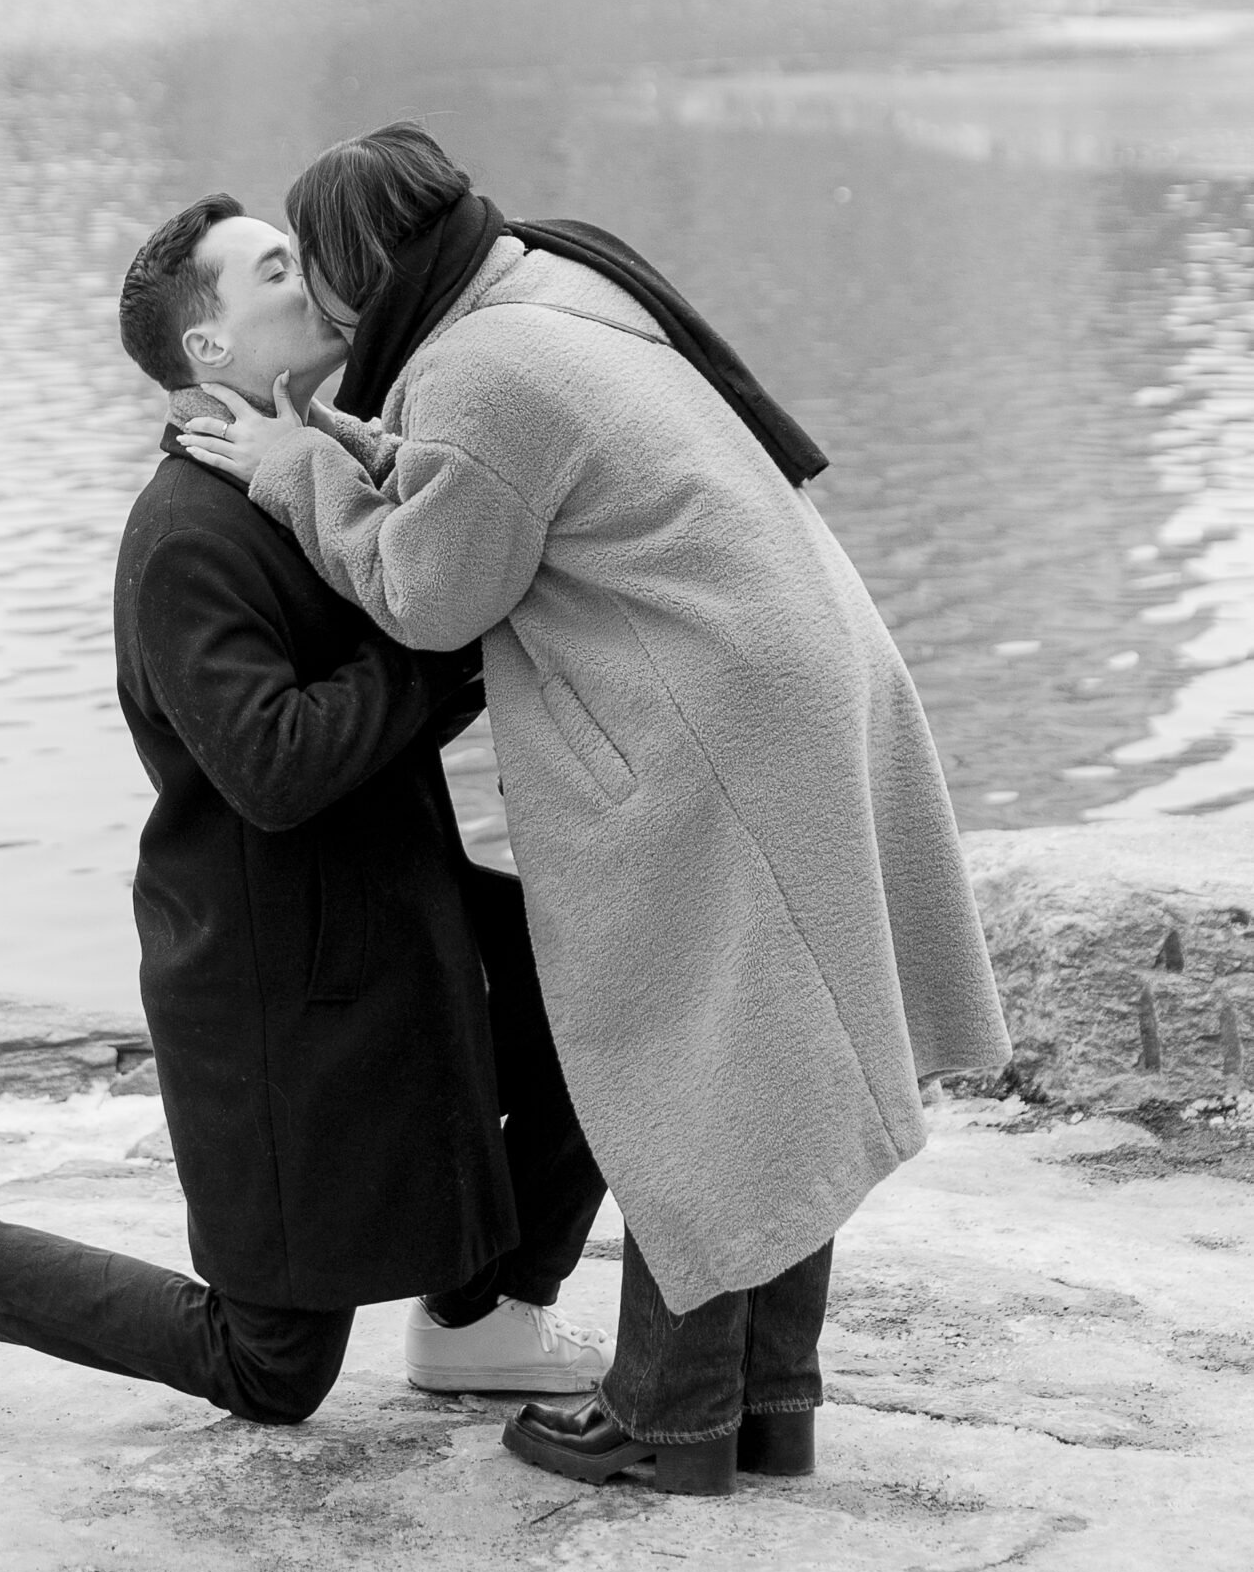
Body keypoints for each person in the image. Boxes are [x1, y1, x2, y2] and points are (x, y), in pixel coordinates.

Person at [178, 126, 1013, 1495]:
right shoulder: (548, 285)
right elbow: (497, 488)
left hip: (722, 715)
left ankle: (666, 1415)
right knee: (774, 1045)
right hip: (795, 672)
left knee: (692, 1062)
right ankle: (761, 1401)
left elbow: (431, 590)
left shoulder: (476, 365)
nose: (322, 309)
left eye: (319, 270)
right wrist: (358, 448)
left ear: (366, 265)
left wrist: (291, 474)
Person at [0, 193, 608, 1426]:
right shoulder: (185, 534)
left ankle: (481, 1316)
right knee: (273, 1368)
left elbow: (413, 619)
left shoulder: (316, 462)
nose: (317, 283)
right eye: (280, 273)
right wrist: (436, 649)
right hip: (275, 984)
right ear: (208, 350)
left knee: (600, 1006)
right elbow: (275, 766)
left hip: (397, 917)